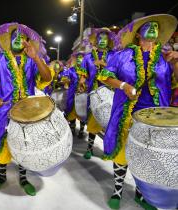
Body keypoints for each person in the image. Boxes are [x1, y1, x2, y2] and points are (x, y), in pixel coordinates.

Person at [98, 14, 178, 210]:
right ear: (137, 35)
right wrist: (124, 85)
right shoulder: (121, 55)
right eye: (148, 26)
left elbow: (173, 83)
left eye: (156, 27)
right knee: (122, 153)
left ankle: (140, 195)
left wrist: (175, 63)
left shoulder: (164, 57)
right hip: (127, 112)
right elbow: (105, 76)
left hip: (154, 118)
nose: (153, 28)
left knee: (145, 156)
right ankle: (117, 192)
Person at [0, 22, 53, 196]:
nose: (18, 40)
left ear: (27, 42)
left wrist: (36, 57)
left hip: (26, 112)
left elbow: (47, 77)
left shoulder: (32, 61)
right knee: (1, 143)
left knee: (24, 144)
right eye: (14, 37)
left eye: (22, 38)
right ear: (9, 41)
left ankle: (23, 178)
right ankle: (2, 176)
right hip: (2, 111)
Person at [78, 28, 117, 160]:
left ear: (109, 41)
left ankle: (109, 150)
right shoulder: (88, 57)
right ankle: (89, 148)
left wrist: (103, 64)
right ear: (96, 40)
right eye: (100, 39)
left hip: (111, 94)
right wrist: (81, 83)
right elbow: (83, 75)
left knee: (111, 124)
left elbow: (119, 72)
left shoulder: (114, 55)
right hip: (93, 94)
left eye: (105, 39)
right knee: (93, 123)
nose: (102, 41)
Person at [64, 51, 86, 137]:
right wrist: (65, 81)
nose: (80, 59)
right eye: (78, 58)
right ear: (76, 59)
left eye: (82, 58)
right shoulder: (71, 70)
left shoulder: (87, 70)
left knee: (82, 112)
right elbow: (65, 79)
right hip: (72, 93)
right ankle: (72, 128)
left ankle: (81, 130)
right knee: (71, 111)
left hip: (83, 93)